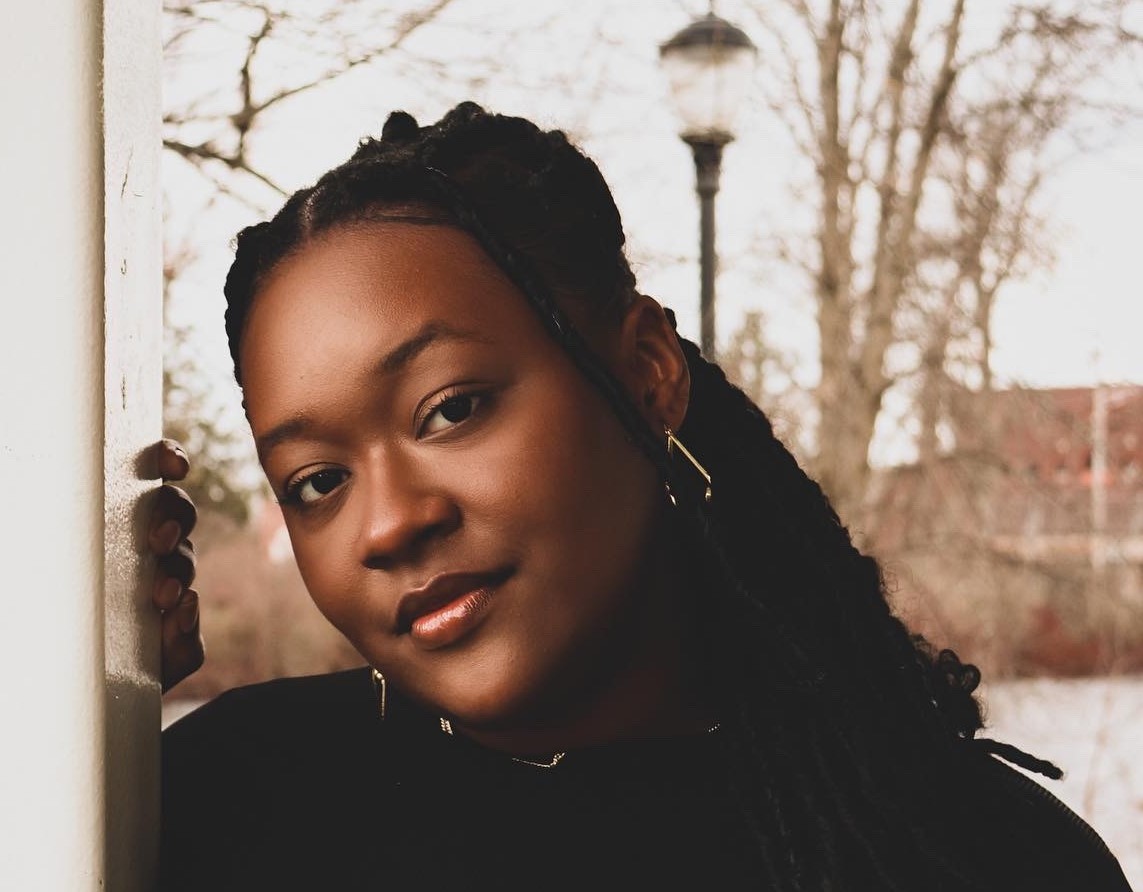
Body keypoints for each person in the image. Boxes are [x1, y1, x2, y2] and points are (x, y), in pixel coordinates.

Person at [157, 102, 1132, 891]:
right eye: (318, 481)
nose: (391, 522)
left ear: (648, 370)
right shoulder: (217, 811)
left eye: (451, 408)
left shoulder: (970, 853)